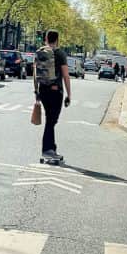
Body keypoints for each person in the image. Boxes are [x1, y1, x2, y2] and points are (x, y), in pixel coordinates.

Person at [33, 29, 72, 162]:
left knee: (50, 119)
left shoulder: (40, 52)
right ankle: (47, 150)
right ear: (57, 39)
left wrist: (36, 91)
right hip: (56, 91)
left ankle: (51, 149)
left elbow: (35, 73)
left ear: (46, 39)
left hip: (43, 90)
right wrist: (69, 94)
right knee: (51, 120)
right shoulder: (60, 54)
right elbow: (66, 75)